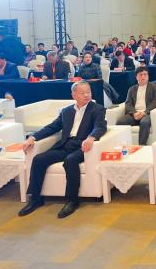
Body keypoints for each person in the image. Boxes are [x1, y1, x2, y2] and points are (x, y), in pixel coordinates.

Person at [18, 81, 107, 219]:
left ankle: (72, 200)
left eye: (88, 92)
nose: (86, 95)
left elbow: (100, 126)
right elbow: (52, 127)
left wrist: (91, 137)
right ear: (74, 94)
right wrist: (33, 138)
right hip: (65, 145)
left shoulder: (97, 109)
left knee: (70, 161)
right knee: (38, 159)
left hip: (82, 146)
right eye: (82, 93)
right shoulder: (66, 111)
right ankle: (35, 198)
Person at [117, 66, 156, 145]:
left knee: (144, 122)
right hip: (134, 114)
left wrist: (144, 112)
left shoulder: (155, 87)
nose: (143, 77)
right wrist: (134, 113)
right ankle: (124, 145)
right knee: (121, 122)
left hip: (147, 113)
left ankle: (141, 146)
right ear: (136, 77)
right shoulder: (132, 89)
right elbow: (128, 103)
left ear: (148, 76)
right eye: (141, 75)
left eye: (145, 74)